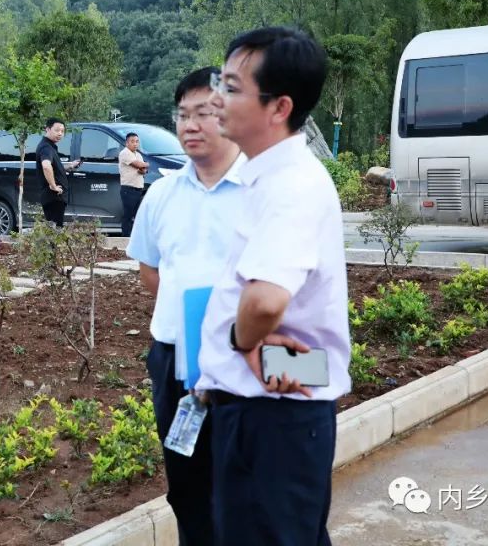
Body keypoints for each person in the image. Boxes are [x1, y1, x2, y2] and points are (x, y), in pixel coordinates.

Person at [196, 27, 351, 546]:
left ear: (279, 107)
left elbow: (264, 300)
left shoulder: (292, 185)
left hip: (273, 416)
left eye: (234, 88)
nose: (217, 98)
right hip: (270, 405)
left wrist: (242, 344)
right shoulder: (271, 176)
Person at [126, 67, 245, 546]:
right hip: (176, 363)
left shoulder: (264, 191)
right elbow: (150, 271)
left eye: (205, 112)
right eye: (183, 114)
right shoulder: (161, 193)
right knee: (188, 487)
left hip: (247, 362)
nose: (191, 124)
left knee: (246, 486)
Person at [35, 117, 80, 227]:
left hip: (55, 197)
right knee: (55, 230)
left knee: (54, 229)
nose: (60, 133)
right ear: (48, 129)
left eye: (62, 131)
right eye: (57, 130)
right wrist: (53, 185)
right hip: (53, 197)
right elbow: (46, 166)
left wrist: (68, 166)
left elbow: (53, 167)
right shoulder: (46, 147)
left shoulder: (50, 146)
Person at [117, 132, 149, 237]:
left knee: (138, 216)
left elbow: (143, 170)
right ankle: (125, 237)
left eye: (137, 141)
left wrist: (143, 168)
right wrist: (145, 165)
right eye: (132, 141)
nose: (135, 144)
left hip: (138, 189)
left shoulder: (138, 155)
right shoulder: (125, 153)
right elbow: (140, 165)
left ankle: (135, 237)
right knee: (128, 215)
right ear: (127, 143)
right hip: (128, 189)